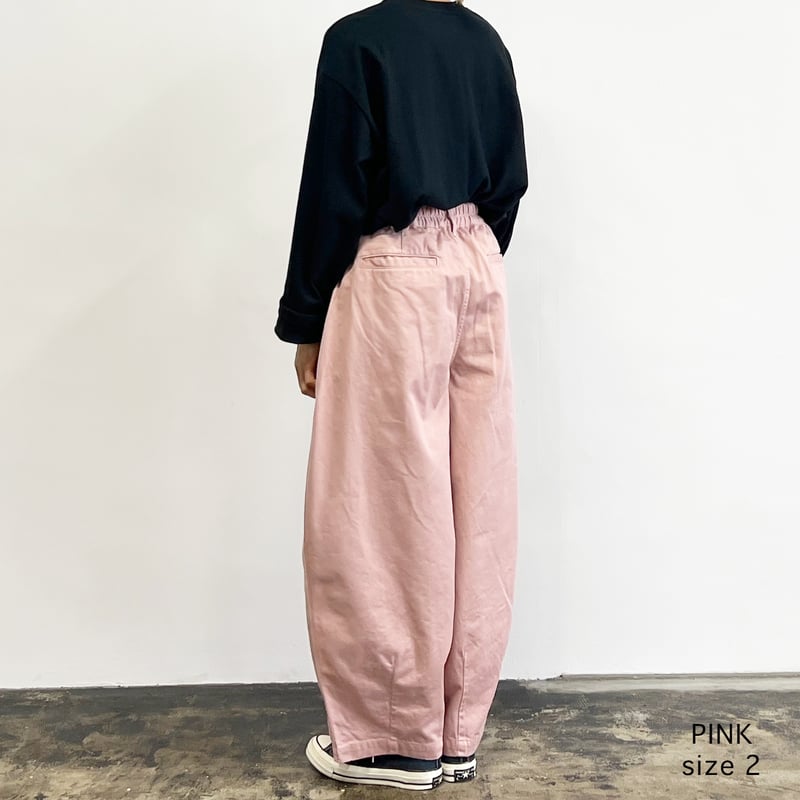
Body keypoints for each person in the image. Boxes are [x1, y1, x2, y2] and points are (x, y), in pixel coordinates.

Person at [274, 0, 528, 790]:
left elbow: (333, 190)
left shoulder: (360, 40)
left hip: (394, 275)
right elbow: (509, 179)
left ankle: (393, 740)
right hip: (479, 263)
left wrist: (307, 320)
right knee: (476, 499)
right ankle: (456, 731)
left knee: (383, 506)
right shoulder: (483, 40)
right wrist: (464, 250)